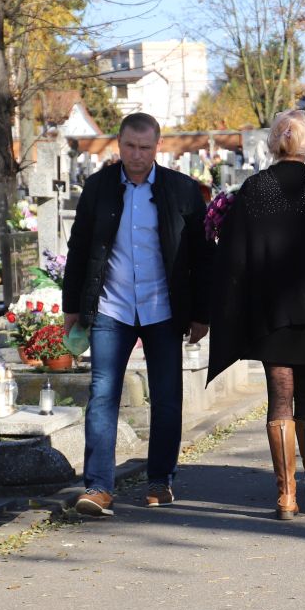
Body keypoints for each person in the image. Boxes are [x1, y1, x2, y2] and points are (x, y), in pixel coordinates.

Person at [208, 110, 305, 520]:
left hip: (270, 309)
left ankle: (286, 496)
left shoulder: (255, 188)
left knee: (280, 396)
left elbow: (235, 254)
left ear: (274, 142)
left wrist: (230, 306)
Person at [63, 112, 210, 517]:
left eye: (145, 147)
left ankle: (160, 480)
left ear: (157, 146)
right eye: (130, 146)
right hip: (112, 306)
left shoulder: (182, 191)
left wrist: (201, 313)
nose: (137, 155)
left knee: (166, 397)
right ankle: (98, 487)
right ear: (118, 144)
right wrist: (72, 309)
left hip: (163, 307)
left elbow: (201, 258)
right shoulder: (98, 189)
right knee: (102, 394)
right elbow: (79, 252)